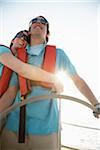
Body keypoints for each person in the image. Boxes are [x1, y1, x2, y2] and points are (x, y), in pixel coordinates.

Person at [1, 16, 100, 150]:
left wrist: (96, 103)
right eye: (34, 21)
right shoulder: (18, 57)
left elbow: (77, 81)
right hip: (14, 126)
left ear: (48, 33)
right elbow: (11, 92)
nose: (38, 23)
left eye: (44, 23)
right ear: (29, 31)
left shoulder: (59, 54)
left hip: (46, 128)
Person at [0, 30, 63, 113]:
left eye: (27, 39)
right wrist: (53, 79)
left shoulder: (18, 69)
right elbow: (22, 69)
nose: (23, 39)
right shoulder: (3, 50)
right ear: (13, 40)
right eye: (20, 36)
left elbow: (11, 93)